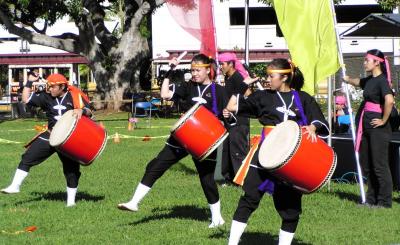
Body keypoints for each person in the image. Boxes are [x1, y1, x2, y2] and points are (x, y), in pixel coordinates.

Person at [223, 58, 328, 245]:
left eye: (272, 76)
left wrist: (312, 127)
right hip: (265, 154)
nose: (268, 79)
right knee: (249, 198)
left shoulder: (303, 98)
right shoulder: (263, 97)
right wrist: (241, 87)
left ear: (285, 77)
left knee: (291, 209)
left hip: (291, 158)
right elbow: (231, 107)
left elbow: (320, 122)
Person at [118, 54, 229, 228]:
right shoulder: (187, 86)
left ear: (208, 70)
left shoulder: (219, 91)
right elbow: (165, 94)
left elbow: (226, 115)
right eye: (192, 70)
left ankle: (217, 218)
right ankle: (134, 202)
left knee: (206, 179)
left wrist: (226, 116)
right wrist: (170, 71)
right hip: (182, 137)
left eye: (198, 70)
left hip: (204, 140)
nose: (194, 73)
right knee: (156, 165)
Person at [1, 73, 92, 207]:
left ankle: (71, 202)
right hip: (51, 134)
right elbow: (25, 99)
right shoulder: (46, 96)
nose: (50, 89)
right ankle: (15, 186)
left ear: (62, 86)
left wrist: (82, 111)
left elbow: (90, 111)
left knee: (71, 170)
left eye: (53, 87)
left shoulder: (74, 95)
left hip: (68, 138)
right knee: (27, 157)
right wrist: (29, 82)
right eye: (49, 86)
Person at [343, 49, 394, 208]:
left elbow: (390, 101)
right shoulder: (371, 80)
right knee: (368, 163)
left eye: (367, 60)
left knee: (379, 165)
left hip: (378, 128)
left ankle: (384, 202)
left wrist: (383, 120)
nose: (364, 63)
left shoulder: (382, 81)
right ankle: (371, 199)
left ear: (377, 62)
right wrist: (347, 79)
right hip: (365, 126)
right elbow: (359, 82)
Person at [218, 52, 251, 183]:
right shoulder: (228, 78)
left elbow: (248, 94)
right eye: (220, 64)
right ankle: (228, 177)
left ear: (231, 64)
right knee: (227, 150)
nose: (221, 66)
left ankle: (241, 179)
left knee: (238, 151)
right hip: (229, 120)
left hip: (239, 120)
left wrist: (235, 108)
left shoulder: (237, 77)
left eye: (223, 64)